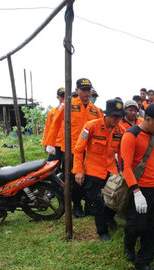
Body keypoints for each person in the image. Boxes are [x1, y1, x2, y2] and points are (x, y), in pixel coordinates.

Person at [121, 104, 154, 270]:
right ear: (148, 119)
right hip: (139, 188)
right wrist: (136, 192)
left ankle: (144, 260)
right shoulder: (131, 136)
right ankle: (128, 246)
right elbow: (126, 167)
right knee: (135, 225)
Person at [45, 78, 104, 218]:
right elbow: (55, 123)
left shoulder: (96, 110)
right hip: (71, 150)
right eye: (83, 89)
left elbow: (102, 130)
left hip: (90, 151)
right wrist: (51, 143)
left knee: (90, 179)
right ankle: (76, 206)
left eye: (88, 90)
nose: (86, 93)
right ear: (77, 90)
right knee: (73, 179)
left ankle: (89, 206)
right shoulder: (67, 105)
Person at [72, 98, 126, 241]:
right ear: (106, 114)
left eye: (119, 116)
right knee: (98, 201)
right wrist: (78, 170)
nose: (117, 120)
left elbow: (122, 154)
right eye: (114, 116)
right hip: (93, 171)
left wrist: (123, 172)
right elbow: (78, 150)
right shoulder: (91, 126)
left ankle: (108, 218)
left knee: (115, 198)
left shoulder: (121, 130)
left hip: (111, 170)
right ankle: (102, 231)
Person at [42, 87, 65, 170]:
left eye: (66, 96)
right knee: (52, 167)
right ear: (57, 97)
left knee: (67, 167)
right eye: (62, 96)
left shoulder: (72, 111)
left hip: (67, 144)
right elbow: (47, 128)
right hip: (55, 144)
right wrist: (46, 143)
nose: (64, 98)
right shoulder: (52, 112)